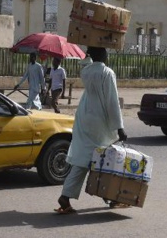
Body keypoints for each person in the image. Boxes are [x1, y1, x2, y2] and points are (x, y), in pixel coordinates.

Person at [56, 47, 126, 214]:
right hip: (99, 120)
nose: (108, 54)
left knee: (84, 160)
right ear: (102, 55)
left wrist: (89, 53)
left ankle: (66, 196)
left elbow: (85, 61)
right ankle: (111, 197)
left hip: (84, 116)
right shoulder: (107, 73)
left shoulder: (86, 71)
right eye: (106, 52)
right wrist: (120, 127)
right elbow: (112, 101)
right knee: (104, 160)